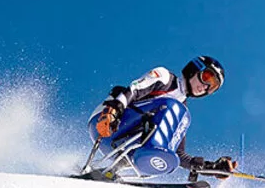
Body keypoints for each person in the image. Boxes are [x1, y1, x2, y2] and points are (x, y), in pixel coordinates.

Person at [91, 55, 237, 179]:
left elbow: (176, 153)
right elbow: (134, 89)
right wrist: (113, 111)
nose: (205, 87)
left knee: (180, 114)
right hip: (108, 123)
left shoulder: (180, 113)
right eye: (207, 78)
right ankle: (150, 150)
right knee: (172, 106)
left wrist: (210, 167)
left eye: (212, 87)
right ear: (194, 69)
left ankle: (115, 170)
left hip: (126, 148)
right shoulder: (165, 77)